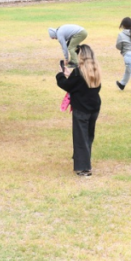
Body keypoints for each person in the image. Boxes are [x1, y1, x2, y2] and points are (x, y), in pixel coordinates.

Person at [56, 45, 102, 176]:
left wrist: (60, 74)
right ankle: (83, 159)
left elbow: (66, 85)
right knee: (88, 135)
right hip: (94, 108)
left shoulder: (78, 72)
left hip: (81, 108)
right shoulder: (95, 70)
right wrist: (69, 76)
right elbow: (81, 85)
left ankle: (83, 168)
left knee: (80, 137)